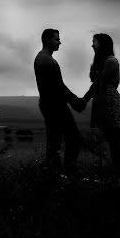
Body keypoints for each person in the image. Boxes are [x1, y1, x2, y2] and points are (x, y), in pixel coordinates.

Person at [34, 28, 85, 174]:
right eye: (57, 39)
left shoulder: (43, 58)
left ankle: (54, 174)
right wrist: (75, 100)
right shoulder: (47, 60)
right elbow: (59, 86)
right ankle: (67, 172)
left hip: (49, 104)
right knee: (73, 139)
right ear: (47, 40)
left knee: (54, 142)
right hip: (54, 105)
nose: (60, 42)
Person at [80, 33, 120, 176]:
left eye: (94, 42)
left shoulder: (111, 61)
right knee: (111, 141)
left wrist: (84, 100)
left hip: (110, 104)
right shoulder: (102, 61)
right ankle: (117, 175)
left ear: (103, 44)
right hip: (102, 104)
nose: (92, 45)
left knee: (116, 142)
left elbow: (97, 83)